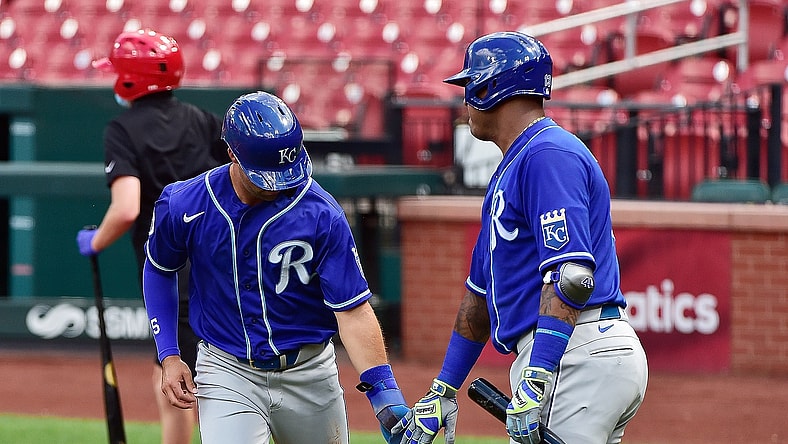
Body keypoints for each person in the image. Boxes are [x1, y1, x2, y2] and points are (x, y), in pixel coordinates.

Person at [393, 31, 649, 444]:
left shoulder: (548, 154)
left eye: (470, 85)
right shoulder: (512, 170)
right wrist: (444, 389)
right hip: (578, 355)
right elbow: (478, 301)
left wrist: (538, 374)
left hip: (572, 353)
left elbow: (572, 274)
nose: (465, 100)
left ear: (493, 86)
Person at [141, 90, 409, 444]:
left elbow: (353, 311)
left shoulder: (322, 213)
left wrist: (383, 390)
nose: (280, 183)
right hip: (227, 370)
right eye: (266, 173)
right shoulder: (184, 203)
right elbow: (159, 268)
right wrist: (169, 354)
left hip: (309, 373)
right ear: (231, 154)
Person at [75, 28, 228, 444]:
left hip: (171, 273)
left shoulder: (121, 130)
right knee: (215, 374)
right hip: (224, 264)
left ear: (129, 80)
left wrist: (96, 242)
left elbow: (126, 208)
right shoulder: (202, 120)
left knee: (176, 379)